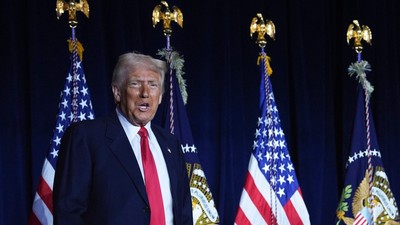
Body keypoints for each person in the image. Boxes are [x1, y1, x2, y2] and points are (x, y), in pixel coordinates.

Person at [53, 52, 193, 225]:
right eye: (135, 84)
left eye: (153, 85)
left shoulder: (170, 143)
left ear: (161, 96)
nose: (145, 93)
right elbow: (69, 212)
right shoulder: (86, 137)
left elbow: (184, 212)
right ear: (117, 92)